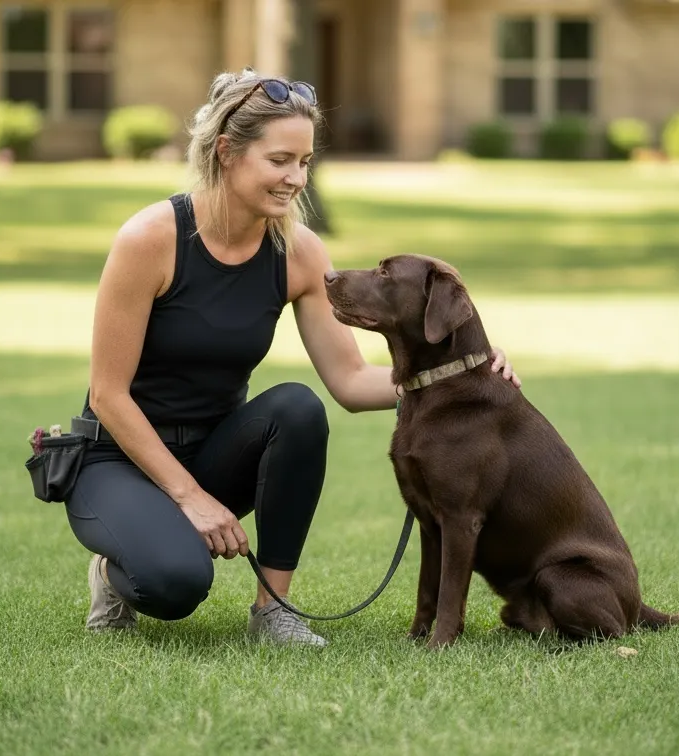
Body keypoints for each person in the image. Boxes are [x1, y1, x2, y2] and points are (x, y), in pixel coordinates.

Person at [64, 67, 521, 646]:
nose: (296, 179)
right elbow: (108, 395)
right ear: (227, 152)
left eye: (304, 162)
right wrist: (191, 499)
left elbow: (352, 380)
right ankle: (112, 570)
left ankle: (273, 610)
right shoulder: (149, 240)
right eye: (280, 160)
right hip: (117, 460)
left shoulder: (297, 252)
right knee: (176, 584)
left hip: (213, 452)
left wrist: (462, 369)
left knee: (298, 408)